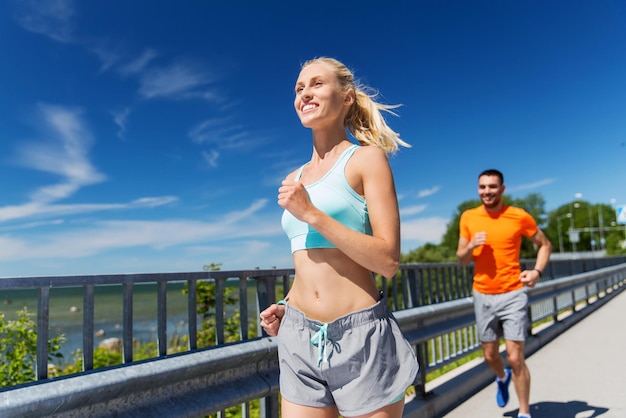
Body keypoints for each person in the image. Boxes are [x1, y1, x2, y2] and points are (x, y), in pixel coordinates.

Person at [259, 57, 418, 418]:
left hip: (359, 337)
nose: (304, 94)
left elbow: (388, 261)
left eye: (316, 84)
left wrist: (312, 213)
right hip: (298, 335)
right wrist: (287, 305)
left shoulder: (366, 160)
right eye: (299, 88)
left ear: (346, 98)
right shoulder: (294, 176)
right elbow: (310, 259)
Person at [456, 169, 552, 418]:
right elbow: (461, 259)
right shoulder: (468, 217)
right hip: (483, 294)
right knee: (490, 355)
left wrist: (536, 272)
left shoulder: (518, 216)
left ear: (502, 189)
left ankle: (524, 412)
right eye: (482, 187)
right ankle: (501, 376)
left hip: (513, 293)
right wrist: (470, 246)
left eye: (492, 187)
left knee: (515, 357)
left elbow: (545, 244)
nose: (487, 191)